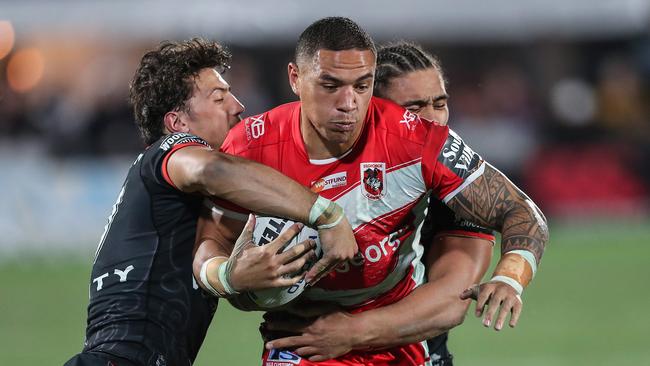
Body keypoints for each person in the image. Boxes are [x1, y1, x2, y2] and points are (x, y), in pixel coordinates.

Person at [196, 17, 548, 366]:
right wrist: (230, 276)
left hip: (400, 336)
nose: (348, 103)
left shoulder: (421, 144)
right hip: (304, 338)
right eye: (330, 85)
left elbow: (519, 216)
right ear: (295, 79)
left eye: (361, 86)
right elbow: (209, 244)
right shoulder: (249, 147)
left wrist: (510, 277)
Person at [64, 38, 358, 366]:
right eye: (219, 98)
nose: (238, 105)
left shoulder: (178, 200)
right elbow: (211, 168)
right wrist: (325, 214)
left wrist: (234, 278)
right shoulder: (167, 154)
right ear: (178, 123)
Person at [373, 41, 494, 365]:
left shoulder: (460, 187)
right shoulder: (327, 173)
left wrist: (345, 334)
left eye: (439, 104)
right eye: (413, 110)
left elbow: (450, 303)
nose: (433, 122)